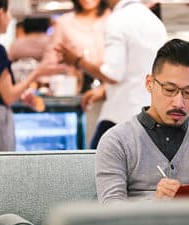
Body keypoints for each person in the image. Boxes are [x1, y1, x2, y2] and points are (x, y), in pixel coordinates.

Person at [95, 39, 189, 204]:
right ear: (149, 83)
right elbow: (110, 214)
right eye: (169, 90)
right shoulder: (116, 141)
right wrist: (156, 206)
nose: (179, 103)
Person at [56, 0, 167, 149]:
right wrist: (103, 91)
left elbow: (113, 74)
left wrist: (77, 61)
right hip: (152, 115)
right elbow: (138, 70)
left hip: (120, 116)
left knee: (93, 166)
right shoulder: (154, 21)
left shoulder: (117, 20)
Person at [0, 0, 65, 151]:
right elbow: (7, 96)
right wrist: (37, 73)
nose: (10, 18)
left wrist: (21, 94)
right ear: (1, 13)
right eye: (9, 12)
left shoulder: (12, 46)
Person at [43, 0, 109, 93]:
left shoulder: (113, 18)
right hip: (77, 89)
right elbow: (51, 58)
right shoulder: (64, 22)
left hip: (109, 87)